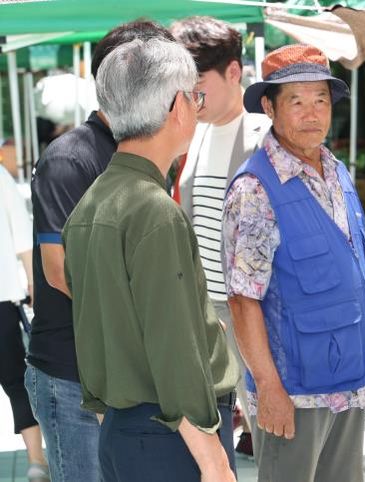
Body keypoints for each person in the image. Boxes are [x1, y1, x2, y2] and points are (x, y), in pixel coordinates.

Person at [62, 37, 239, 482]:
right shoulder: (154, 210)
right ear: (178, 106)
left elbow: (91, 333)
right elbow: (175, 348)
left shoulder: (91, 204)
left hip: (124, 429)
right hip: (173, 437)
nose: (197, 108)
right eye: (195, 97)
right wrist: (214, 462)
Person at [222, 44, 365, 482]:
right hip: (294, 391)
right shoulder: (255, 189)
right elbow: (243, 300)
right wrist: (268, 387)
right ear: (269, 107)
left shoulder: (337, 171)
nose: (312, 113)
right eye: (296, 101)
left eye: (320, 100)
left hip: (350, 379)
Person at [26, 20, 174, 482]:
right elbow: (59, 271)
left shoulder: (147, 154)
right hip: (73, 374)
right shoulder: (70, 158)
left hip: (131, 372)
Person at [170, 15, 270, 458]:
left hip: (253, 311)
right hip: (204, 309)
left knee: (270, 432)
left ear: (234, 72)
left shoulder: (264, 137)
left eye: (199, 86)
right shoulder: (193, 134)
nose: (192, 98)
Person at [0, 164, 50, 482]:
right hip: (2, 297)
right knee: (16, 381)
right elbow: (21, 233)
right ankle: (36, 461)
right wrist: (33, 282)